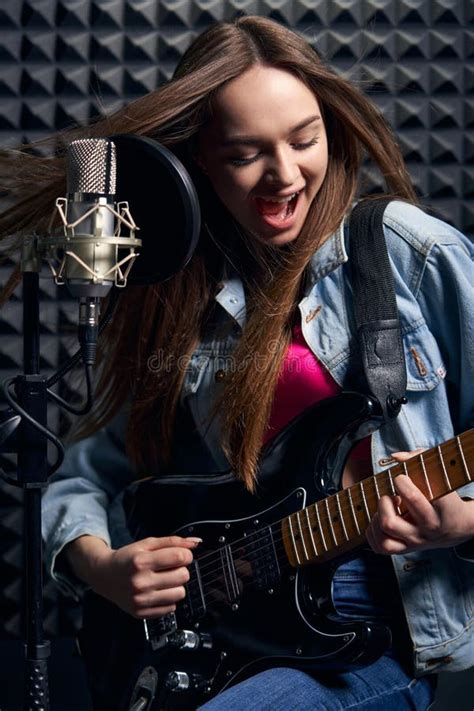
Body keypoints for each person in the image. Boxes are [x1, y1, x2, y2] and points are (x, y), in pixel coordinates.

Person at [1, 14, 473, 710]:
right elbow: (86, 470)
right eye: (245, 154)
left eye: (304, 140)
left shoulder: (408, 251)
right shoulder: (175, 296)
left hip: (373, 645)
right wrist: (101, 565)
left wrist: (461, 521)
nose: (284, 175)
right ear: (200, 161)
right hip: (228, 641)